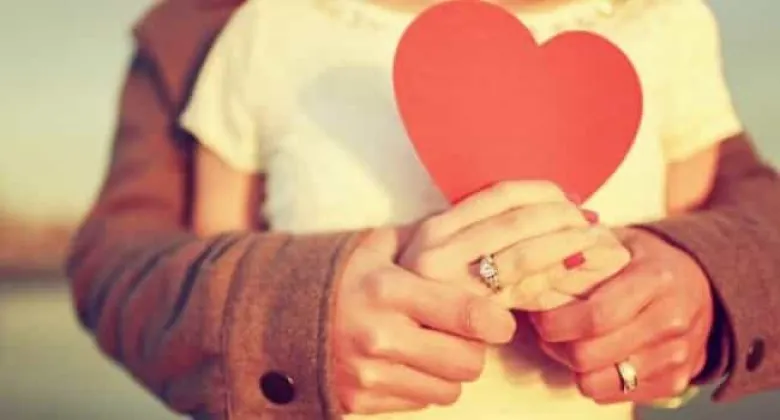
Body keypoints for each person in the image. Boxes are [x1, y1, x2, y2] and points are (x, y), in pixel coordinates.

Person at [66, 0, 780, 419]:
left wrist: (674, 306)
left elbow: (698, 247)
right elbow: (195, 270)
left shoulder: (667, 24)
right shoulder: (268, 30)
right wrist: (299, 310)